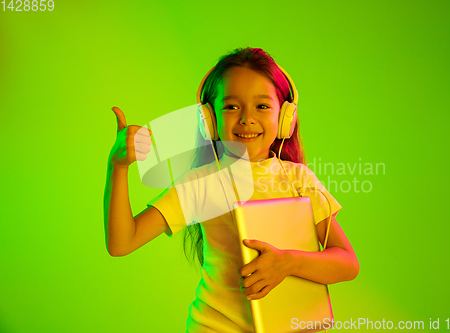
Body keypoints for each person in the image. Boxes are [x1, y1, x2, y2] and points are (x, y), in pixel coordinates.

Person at [104, 47, 359, 333]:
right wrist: (119, 167)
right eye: (231, 106)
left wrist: (288, 263)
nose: (247, 119)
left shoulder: (299, 180)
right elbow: (122, 243)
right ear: (209, 120)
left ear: (285, 117)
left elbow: (347, 263)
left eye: (262, 106)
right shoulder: (201, 183)